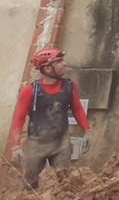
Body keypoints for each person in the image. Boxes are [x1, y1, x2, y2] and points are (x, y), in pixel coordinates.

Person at [8, 48, 89, 190]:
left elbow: (77, 110)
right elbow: (18, 120)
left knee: (65, 179)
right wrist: (15, 147)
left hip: (61, 142)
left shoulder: (69, 86)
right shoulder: (30, 91)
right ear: (47, 68)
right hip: (35, 145)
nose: (64, 64)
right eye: (59, 62)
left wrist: (87, 130)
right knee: (29, 183)